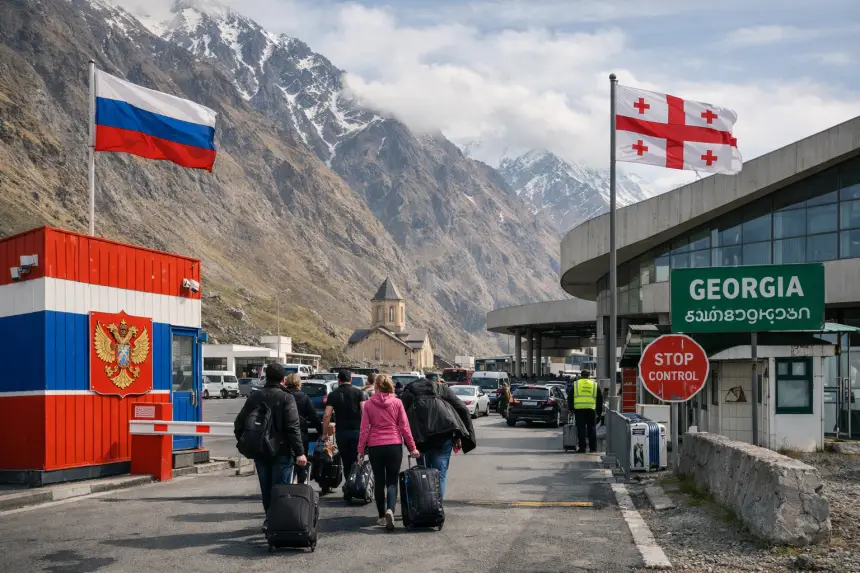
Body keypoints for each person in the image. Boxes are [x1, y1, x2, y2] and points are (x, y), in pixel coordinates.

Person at [234, 363, 307, 529]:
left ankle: (269, 519)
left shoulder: (255, 396)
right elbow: (292, 427)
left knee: (266, 489)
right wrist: (300, 452)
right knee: (280, 489)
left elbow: (239, 423)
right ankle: (276, 523)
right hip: (281, 450)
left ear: (266, 377)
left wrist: (246, 443)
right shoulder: (286, 398)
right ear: (283, 379)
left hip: (260, 450)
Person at [358, 375, 420, 530]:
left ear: (376, 387)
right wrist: (412, 447)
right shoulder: (397, 402)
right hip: (394, 444)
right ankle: (390, 510)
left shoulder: (368, 404)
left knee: (379, 481)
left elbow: (364, 429)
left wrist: (360, 450)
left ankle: (380, 516)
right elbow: (404, 427)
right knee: (392, 481)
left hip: (375, 446)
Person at [400, 372, 475, 498]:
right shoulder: (442, 390)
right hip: (443, 436)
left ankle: (424, 506)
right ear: (437, 380)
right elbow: (462, 408)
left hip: (420, 439)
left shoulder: (411, 391)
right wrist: (463, 436)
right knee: (439, 475)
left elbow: (400, 415)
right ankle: (436, 507)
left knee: (423, 474)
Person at [322, 369, 367, 495]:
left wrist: (325, 433)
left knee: (346, 461)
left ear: (338, 380)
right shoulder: (359, 392)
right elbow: (364, 412)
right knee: (357, 460)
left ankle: (349, 485)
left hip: (342, 432)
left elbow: (326, 415)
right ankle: (357, 485)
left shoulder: (333, 394)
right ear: (351, 380)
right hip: (357, 431)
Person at [283, 373, 322, 484]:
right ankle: (300, 484)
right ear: (299, 383)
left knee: (286, 461)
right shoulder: (304, 397)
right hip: (301, 433)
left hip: (283, 433)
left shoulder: (283, 395)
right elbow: (313, 416)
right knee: (301, 460)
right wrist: (321, 431)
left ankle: (287, 483)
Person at [568, 369, 603, 453]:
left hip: (579, 410)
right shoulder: (594, 385)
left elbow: (570, 397)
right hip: (591, 409)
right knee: (592, 428)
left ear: (581, 375)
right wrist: (599, 412)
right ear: (589, 376)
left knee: (581, 429)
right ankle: (593, 448)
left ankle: (582, 448)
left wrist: (571, 408)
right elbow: (600, 399)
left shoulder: (576, 384)